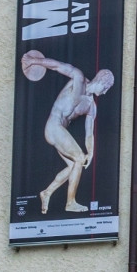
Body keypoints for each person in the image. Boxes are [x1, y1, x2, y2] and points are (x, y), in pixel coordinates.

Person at [21, 51, 113, 214]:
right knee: (78, 158)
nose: (105, 93)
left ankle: (47, 192)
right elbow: (57, 66)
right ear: (101, 81)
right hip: (53, 126)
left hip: (59, 132)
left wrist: (90, 152)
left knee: (72, 166)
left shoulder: (91, 106)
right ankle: (70, 202)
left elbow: (89, 133)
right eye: (106, 88)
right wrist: (34, 60)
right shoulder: (79, 78)